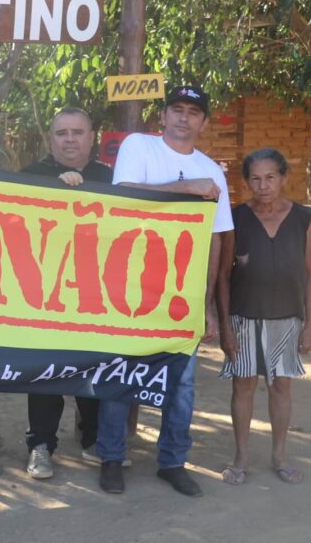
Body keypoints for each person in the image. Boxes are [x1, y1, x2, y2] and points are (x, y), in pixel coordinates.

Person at [97, 85, 233, 497]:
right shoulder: (139, 146)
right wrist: (187, 188)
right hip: (129, 285)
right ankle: (111, 457)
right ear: (163, 116)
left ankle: (172, 461)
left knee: (183, 384)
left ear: (204, 123)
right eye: (176, 109)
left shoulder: (213, 170)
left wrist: (207, 304)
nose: (183, 118)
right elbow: (122, 195)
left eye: (193, 112)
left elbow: (214, 240)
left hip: (181, 295)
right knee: (121, 373)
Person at [20, 107, 114, 479]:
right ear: (51, 138)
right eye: (62, 133)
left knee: (93, 369)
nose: (70, 139)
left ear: (92, 137)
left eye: (78, 132)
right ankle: (40, 445)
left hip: (95, 293)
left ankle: (91, 439)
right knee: (46, 374)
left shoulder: (110, 178)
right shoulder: (30, 176)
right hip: (44, 295)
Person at [217, 148, 311, 486]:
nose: (263, 185)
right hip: (244, 316)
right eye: (255, 179)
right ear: (247, 182)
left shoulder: (303, 218)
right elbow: (223, 275)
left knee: (280, 386)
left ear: (284, 178)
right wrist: (226, 325)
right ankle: (240, 457)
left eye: (270, 177)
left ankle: (280, 456)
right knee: (243, 385)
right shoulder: (235, 218)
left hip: (287, 318)